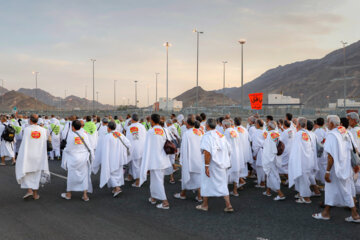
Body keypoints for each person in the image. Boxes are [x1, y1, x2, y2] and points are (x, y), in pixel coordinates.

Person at [312, 115, 360, 223]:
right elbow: (353, 149)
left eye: (328, 122)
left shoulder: (332, 135)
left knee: (344, 191)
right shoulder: (345, 132)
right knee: (334, 190)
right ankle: (326, 212)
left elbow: (330, 156)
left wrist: (328, 171)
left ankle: (355, 214)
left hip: (335, 169)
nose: (327, 124)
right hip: (346, 167)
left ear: (332, 124)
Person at [196, 118, 233, 212]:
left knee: (206, 183)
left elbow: (207, 152)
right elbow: (229, 149)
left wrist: (206, 166)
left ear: (207, 126)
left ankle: (205, 205)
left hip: (212, 164)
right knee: (222, 184)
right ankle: (228, 205)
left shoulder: (207, 136)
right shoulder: (221, 135)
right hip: (222, 164)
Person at [139, 114, 171, 210]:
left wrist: (146, 163)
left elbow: (147, 148)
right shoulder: (164, 130)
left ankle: (165, 202)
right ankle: (153, 198)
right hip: (163, 160)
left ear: (152, 121)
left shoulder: (151, 132)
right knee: (156, 180)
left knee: (157, 181)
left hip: (155, 161)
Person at [15, 114, 49, 200]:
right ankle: (35, 194)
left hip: (28, 156)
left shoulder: (26, 130)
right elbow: (44, 142)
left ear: (30, 121)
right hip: (38, 156)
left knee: (27, 173)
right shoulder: (43, 130)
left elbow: (24, 143)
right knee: (36, 175)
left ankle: (29, 190)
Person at [93, 121, 131, 197]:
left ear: (109, 128)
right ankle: (115, 187)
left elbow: (104, 149)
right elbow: (128, 144)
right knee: (118, 173)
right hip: (119, 158)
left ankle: (117, 188)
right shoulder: (119, 134)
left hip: (111, 159)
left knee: (111, 173)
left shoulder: (108, 136)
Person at [61, 120, 94, 202]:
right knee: (84, 176)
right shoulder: (85, 134)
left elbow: (68, 149)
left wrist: (64, 150)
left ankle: (69, 194)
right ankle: (85, 195)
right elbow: (89, 146)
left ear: (72, 127)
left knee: (71, 176)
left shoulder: (71, 136)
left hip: (73, 160)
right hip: (83, 159)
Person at [174, 117, 203, 202]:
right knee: (198, 177)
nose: (185, 124)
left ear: (188, 124)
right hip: (198, 159)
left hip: (189, 159)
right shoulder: (200, 132)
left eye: (186, 122)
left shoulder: (187, 133)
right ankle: (199, 196)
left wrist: (182, 159)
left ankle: (183, 194)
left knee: (187, 176)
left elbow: (184, 148)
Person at [288, 117, 314, 204]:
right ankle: (301, 194)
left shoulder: (299, 134)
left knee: (303, 180)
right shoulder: (306, 133)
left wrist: (292, 161)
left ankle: (306, 198)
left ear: (298, 124)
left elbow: (295, 149)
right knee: (303, 179)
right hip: (307, 160)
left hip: (301, 161)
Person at [262, 121, 286, 200]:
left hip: (269, 157)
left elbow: (267, 147)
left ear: (269, 127)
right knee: (271, 173)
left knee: (271, 175)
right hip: (274, 157)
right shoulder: (276, 133)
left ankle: (280, 193)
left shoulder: (269, 135)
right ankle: (268, 191)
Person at [223, 119, 244, 197]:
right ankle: (235, 190)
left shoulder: (226, 132)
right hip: (237, 154)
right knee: (236, 172)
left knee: (227, 172)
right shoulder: (235, 131)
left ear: (225, 125)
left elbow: (226, 145)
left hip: (230, 154)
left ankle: (225, 191)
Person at [126, 113, 147, 187]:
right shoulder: (142, 126)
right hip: (142, 148)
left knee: (136, 165)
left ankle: (138, 181)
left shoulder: (131, 127)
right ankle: (130, 176)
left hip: (135, 148)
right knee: (135, 164)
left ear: (132, 119)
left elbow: (129, 139)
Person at [234, 117, 252, 186]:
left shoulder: (234, 130)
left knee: (238, 167)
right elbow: (250, 139)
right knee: (243, 167)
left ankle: (240, 181)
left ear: (234, 123)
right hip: (245, 151)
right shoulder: (244, 129)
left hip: (238, 152)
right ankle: (241, 181)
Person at [252, 119, 267, 188]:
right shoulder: (265, 131)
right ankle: (262, 181)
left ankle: (261, 182)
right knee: (264, 166)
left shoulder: (256, 132)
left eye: (255, 123)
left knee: (259, 167)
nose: (255, 124)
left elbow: (255, 144)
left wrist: (254, 154)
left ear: (258, 124)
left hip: (259, 151)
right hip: (265, 150)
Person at [314, 117, 327, 185]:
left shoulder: (317, 131)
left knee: (321, 168)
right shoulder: (326, 129)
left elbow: (318, 142)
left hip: (320, 152)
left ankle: (323, 183)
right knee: (323, 167)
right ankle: (322, 182)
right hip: (325, 151)